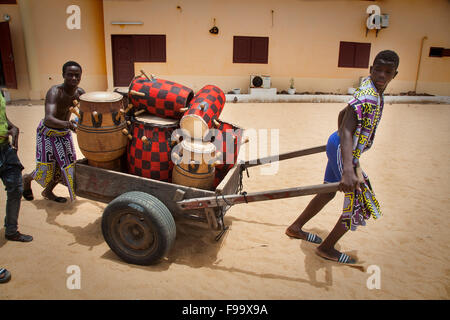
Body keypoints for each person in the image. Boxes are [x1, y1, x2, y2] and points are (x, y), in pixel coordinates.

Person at [286, 50, 399, 264]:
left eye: (388, 72)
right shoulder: (368, 96)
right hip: (343, 150)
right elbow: (347, 129)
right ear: (371, 70)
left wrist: (343, 145)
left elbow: (342, 115)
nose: (382, 75)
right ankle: (327, 248)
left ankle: (295, 228)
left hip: (341, 147)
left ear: (395, 74)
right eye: (378, 70)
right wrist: (348, 167)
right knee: (361, 203)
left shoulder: (372, 90)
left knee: (328, 192)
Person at [22, 61, 85, 203]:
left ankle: (48, 192)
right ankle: (26, 179)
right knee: (46, 168)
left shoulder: (80, 93)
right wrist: (69, 124)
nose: (74, 78)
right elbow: (49, 119)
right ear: (63, 75)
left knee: (66, 166)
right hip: (47, 133)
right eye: (70, 75)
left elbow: (86, 111)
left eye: (77, 75)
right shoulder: (55, 92)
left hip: (63, 133)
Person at [0, 90, 33, 242]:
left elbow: (3, 118)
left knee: (16, 189)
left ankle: (11, 230)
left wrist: (12, 127)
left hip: (5, 149)